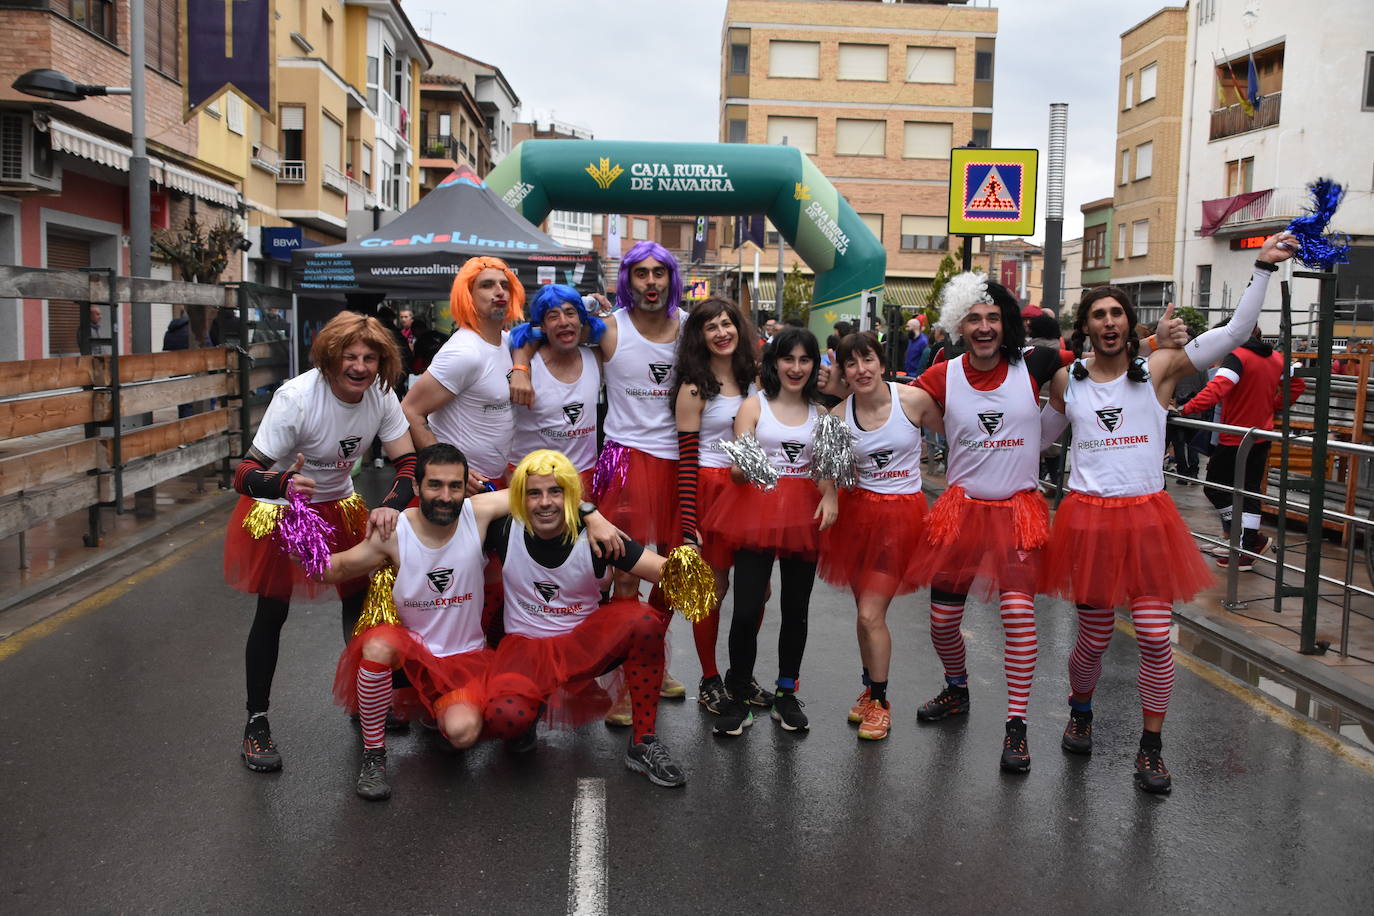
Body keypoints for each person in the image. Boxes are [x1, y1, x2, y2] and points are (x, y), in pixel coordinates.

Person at [1039, 231, 1298, 793]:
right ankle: (1080, 708)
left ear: (1130, 325)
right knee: (1093, 638)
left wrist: (1263, 268)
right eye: (1098, 315)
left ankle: (1150, 747)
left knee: (1157, 637)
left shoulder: (1159, 369)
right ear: (1085, 326)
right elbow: (1036, 429)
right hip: (1088, 521)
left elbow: (1230, 333)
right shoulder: (1070, 378)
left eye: (1118, 315)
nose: (1109, 322)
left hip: (1148, 520)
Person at [322, 443, 623, 800]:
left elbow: (543, 493)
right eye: (435, 485)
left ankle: (441, 711)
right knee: (376, 644)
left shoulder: (475, 513)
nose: (445, 495)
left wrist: (592, 514)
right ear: (417, 488)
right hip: (414, 655)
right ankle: (374, 755)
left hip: (463, 661)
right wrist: (295, 537)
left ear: (467, 487)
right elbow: (337, 568)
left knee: (463, 733)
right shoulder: (394, 532)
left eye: (454, 486)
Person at [225, 311, 416, 773]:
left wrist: (390, 503)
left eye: (370, 357)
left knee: (360, 602)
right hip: (283, 512)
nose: (360, 366)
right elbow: (243, 474)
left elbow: (407, 463)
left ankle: (365, 704)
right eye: (350, 356)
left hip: (340, 506)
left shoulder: (382, 395)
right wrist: (284, 484)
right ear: (330, 359)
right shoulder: (296, 398)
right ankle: (256, 722)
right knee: (272, 613)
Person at [511, 241, 690, 705]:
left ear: (671, 278)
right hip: (625, 460)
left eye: (659, 273)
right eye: (640, 274)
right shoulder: (609, 329)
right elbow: (541, 328)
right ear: (627, 280)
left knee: (677, 569)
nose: (651, 282)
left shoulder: (690, 328)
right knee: (626, 573)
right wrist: (519, 368)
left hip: (678, 463)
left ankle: (651, 659)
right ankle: (629, 682)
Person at [482, 450, 688, 787]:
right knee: (505, 720)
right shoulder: (503, 530)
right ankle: (526, 718)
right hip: (525, 650)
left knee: (645, 624)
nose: (545, 502)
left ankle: (643, 742)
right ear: (521, 496)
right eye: (534, 493)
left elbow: (668, 574)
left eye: (556, 491)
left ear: (570, 495)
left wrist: (687, 556)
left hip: (585, 647)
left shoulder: (599, 536)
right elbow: (454, 517)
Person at [702, 326, 839, 735]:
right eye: (788, 358)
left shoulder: (824, 414)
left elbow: (826, 473)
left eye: (805, 359)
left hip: (803, 517)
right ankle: (739, 694)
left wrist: (830, 497)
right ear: (774, 362)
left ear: (815, 365)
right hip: (754, 513)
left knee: (796, 611)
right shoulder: (753, 405)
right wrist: (741, 470)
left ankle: (786, 692)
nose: (796, 368)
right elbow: (738, 469)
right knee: (746, 609)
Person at [819, 331, 939, 741]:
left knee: (872, 614)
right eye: (851, 363)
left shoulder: (914, 401)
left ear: (882, 363)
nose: (861, 370)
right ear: (843, 372)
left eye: (867, 359)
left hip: (901, 518)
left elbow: (961, 439)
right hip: (856, 518)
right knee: (863, 614)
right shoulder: (837, 417)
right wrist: (831, 496)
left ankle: (882, 703)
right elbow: (827, 472)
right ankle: (870, 688)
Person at [670, 297, 768, 713]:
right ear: (700, 337)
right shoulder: (694, 388)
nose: (722, 332)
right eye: (711, 327)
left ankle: (740, 676)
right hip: (711, 492)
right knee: (710, 590)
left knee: (758, 592)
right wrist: (689, 522)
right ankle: (710, 679)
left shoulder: (757, 381)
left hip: (753, 492)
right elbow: (687, 461)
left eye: (728, 324)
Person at [1180, 273, 1307, 570]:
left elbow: (1218, 388)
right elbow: (1298, 385)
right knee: (1248, 491)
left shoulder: (1237, 357)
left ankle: (1244, 540)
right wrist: (1273, 406)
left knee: (1215, 488)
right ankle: (1245, 542)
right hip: (1261, 434)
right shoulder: (1277, 358)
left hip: (1235, 436)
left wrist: (1185, 409)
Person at [402, 256, 525, 492]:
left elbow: (533, 337)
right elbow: (409, 410)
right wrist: (446, 468)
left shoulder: (508, 342)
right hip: (457, 490)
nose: (499, 292)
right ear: (467, 295)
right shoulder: (464, 352)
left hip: (494, 482)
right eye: (487, 285)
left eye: (505, 284)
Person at [507, 284, 604, 493]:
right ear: (541, 326)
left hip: (584, 478)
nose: (563, 322)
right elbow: (517, 340)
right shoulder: (527, 366)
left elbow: (615, 330)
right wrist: (520, 368)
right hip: (533, 480)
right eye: (553, 316)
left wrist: (595, 304)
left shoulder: (596, 358)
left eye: (571, 313)